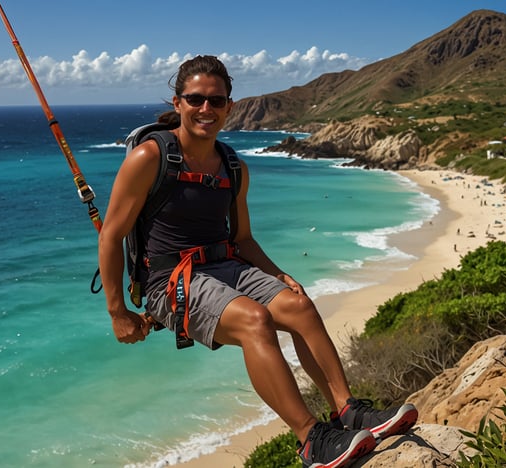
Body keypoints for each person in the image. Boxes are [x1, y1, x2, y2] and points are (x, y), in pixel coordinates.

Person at [98, 55, 418, 467]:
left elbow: (243, 239)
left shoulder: (233, 166)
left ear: (230, 106)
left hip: (227, 266)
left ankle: (347, 409)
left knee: (298, 305)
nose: (206, 109)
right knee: (255, 321)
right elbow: (111, 235)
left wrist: (280, 274)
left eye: (216, 101)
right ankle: (311, 439)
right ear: (177, 103)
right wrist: (117, 311)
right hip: (170, 283)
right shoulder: (150, 158)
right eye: (195, 99)